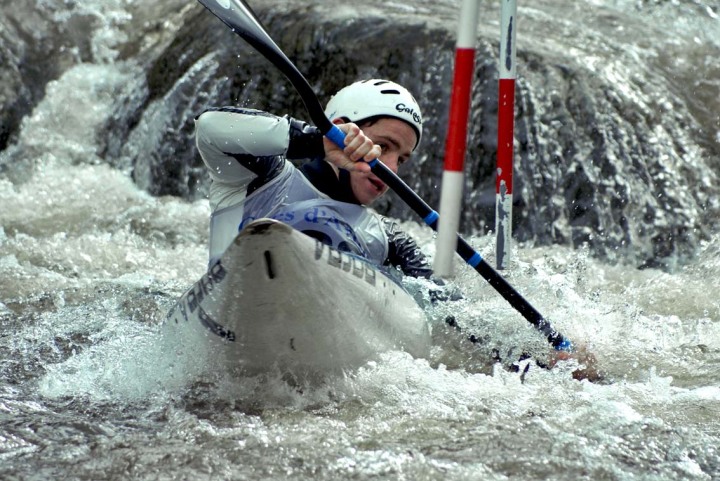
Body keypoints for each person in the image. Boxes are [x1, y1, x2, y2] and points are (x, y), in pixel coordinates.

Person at [194, 78, 435, 279]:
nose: (392, 168)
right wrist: (316, 141)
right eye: (382, 146)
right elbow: (209, 128)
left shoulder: (388, 240)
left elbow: (443, 309)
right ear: (341, 130)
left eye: (401, 160)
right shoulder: (261, 181)